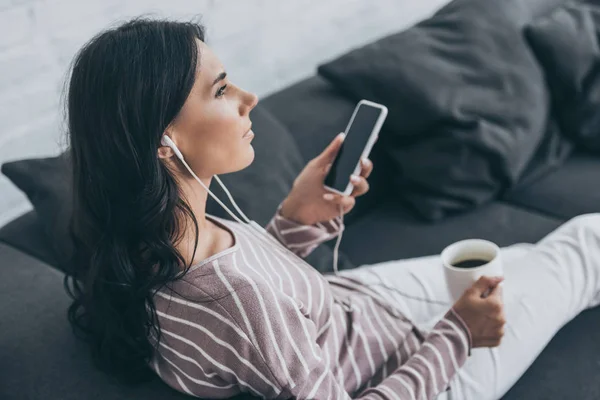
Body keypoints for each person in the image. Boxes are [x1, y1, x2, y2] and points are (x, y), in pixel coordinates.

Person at [64, 18, 600, 400]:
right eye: (221, 90)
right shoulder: (237, 302)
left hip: (360, 305)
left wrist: (296, 220)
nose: (250, 99)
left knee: (531, 256)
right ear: (164, 139)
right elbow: (252, 317)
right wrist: (459, 334)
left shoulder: (151, 240)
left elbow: (256, 314)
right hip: (422, 371)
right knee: (584, 243)